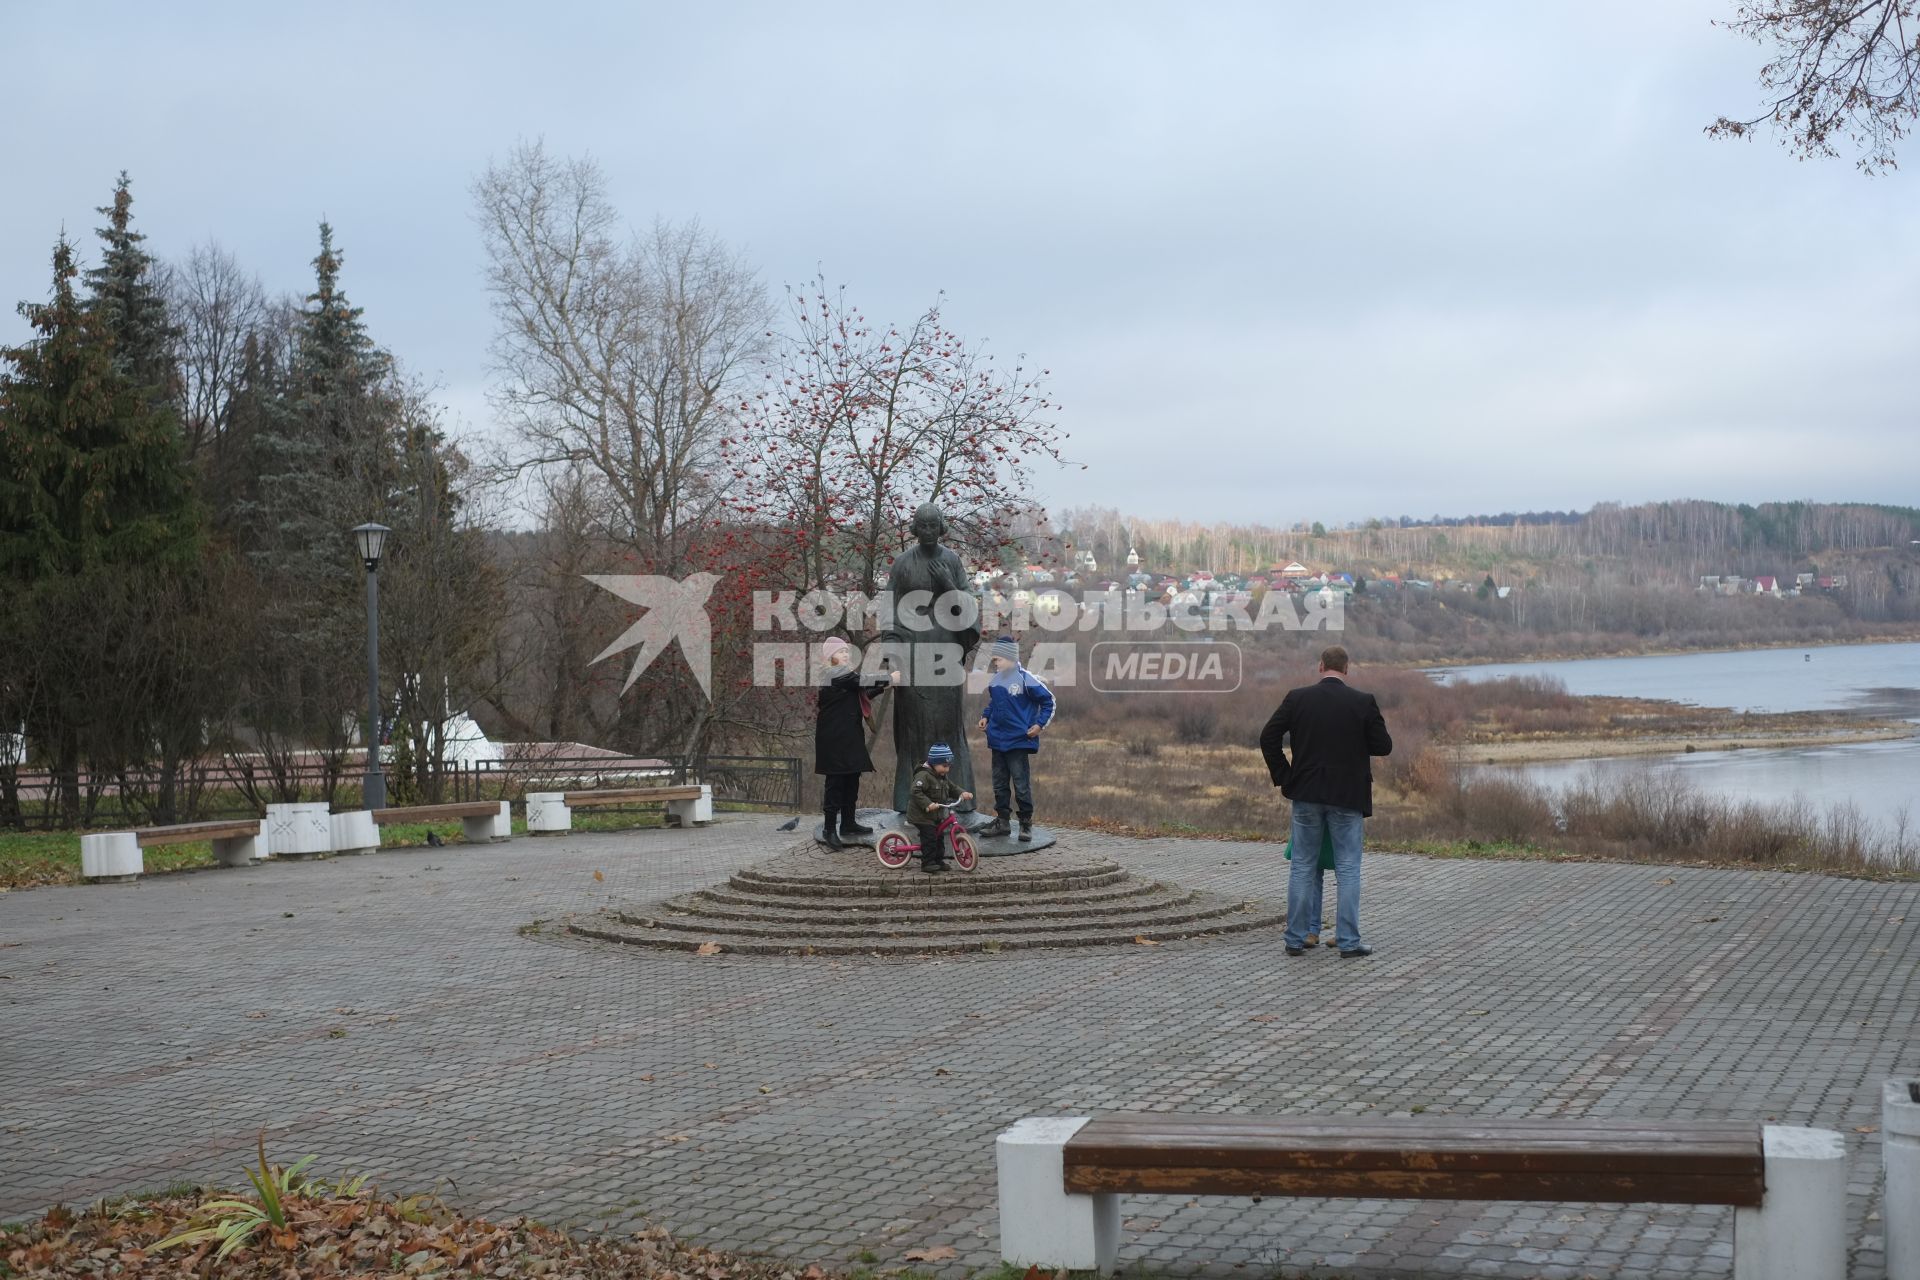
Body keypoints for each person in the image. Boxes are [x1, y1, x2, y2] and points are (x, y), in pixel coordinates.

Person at [1258, 645, 1392, 957]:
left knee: (1303, 866)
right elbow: (1383, 746)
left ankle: (1295, 938)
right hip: (1347, 796)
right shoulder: (1362, 702)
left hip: (1305, 793)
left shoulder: (1297, 698)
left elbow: (1268, 737)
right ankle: (1348, 942)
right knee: (1348, 868)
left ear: (1321, 666)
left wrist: (1286, 776)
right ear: (1347, 668)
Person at [881, 504, 982, 814]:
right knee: (913, 726)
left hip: (946, 652)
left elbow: (969, 607)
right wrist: (891, 647)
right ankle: (910, 799)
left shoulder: (951, 561)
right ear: (915, 528)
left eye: (932, 526)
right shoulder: (902, 563)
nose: (927, 531)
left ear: (941, 528)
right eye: (921, 526)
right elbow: (888, 607)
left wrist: (948, 586)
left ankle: (957, 800)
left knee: (948, 724)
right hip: (912, 652)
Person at [813, 637, 894, 850]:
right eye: (840, 652)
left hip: (849, 736)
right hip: (834, 738)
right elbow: (862, 681)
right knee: (835, 783)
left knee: (851, 779)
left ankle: (848, 824)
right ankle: (829, 829)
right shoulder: (833, 674)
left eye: (847, 652)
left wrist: (883, 686)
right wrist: (888, 676)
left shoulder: (845, 677)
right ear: (830, 657)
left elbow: (860, 694)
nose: (846, 655)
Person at [975, 635, 1054, 842]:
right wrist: (986, 716)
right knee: (999, 784)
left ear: (1009, 658)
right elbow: (994, 703)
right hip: (997, 741)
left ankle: (1025, 824)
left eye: (998, 660)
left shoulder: (1026, 679)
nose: (996, 664)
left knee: (1021, 784)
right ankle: (1002, 822)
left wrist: (1039, 725)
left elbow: (1048, 701)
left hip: (1018, 741)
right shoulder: (996, 680)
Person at [905, 741, 971, 873]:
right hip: (922, 815)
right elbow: (915, 791)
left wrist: (962, 793)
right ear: (934, 763)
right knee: (930, 837)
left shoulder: (941, 776)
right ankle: (927, 863)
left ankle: (938, 860)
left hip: (936, 815)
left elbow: (951, 787)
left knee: (939, 837)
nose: (947, 769)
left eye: (949, 766)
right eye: (944, 766)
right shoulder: (923, 775)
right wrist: (928, 804)